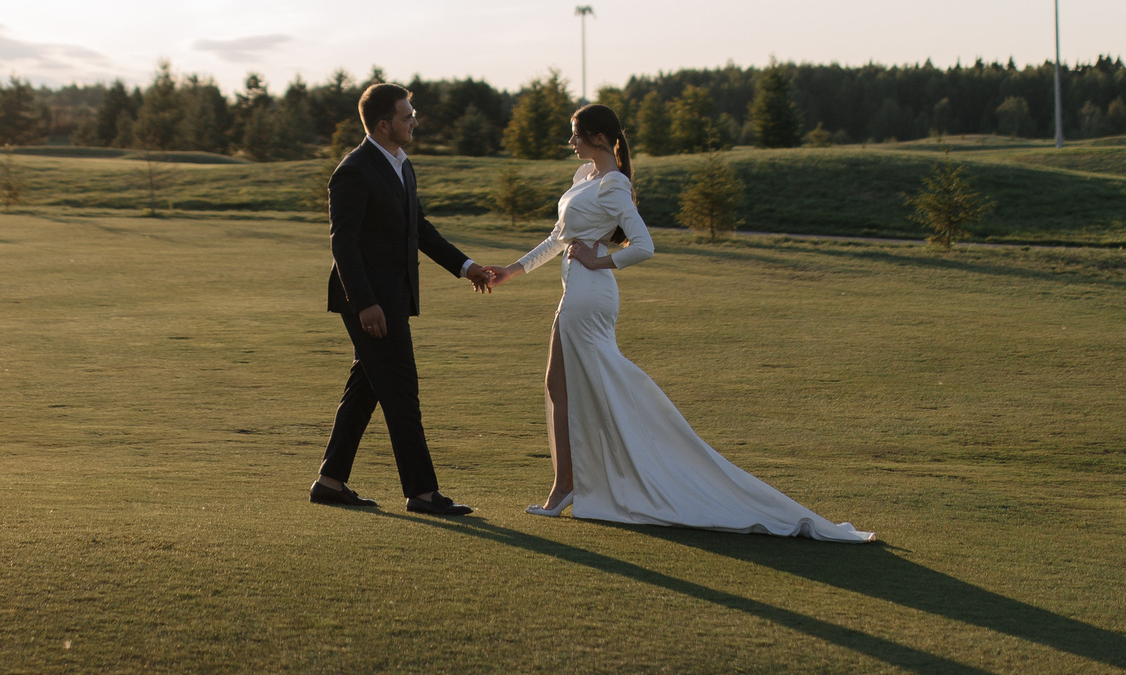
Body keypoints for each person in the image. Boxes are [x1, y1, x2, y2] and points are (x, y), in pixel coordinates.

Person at [484, 102, 874, 540]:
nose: (570, 141)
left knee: (587, 386)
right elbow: (559, 237)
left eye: (576, 133)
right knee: (558, 387)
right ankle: (567, 485)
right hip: (574, 291)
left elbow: (644, 245)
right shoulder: (584, 178)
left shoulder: (613, 185)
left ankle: (570, 486)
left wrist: (601, 260)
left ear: (598, 138)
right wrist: (513, 270)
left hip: (589, 296)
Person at [312, 82, 496, 515]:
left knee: (366, 389)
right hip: (371, 302)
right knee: (401, 391)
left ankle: (330, 481)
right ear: (383, 125)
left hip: (393, 297)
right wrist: (365, 303)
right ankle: (422, 492)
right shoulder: (354, 170)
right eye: (407, 115)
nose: (414, 121)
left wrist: (466, 266)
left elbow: (420, 229)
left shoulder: (401, 164)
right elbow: (343, 245)